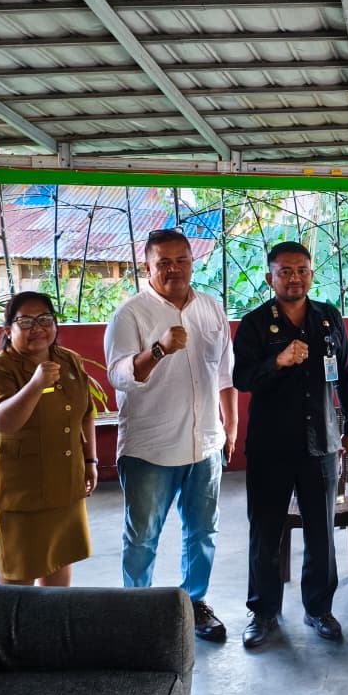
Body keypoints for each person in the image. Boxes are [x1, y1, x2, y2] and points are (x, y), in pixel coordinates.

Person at [104, 228, 239, 642]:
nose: (174, 269)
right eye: (163, 262)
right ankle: (137, 612)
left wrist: (231, 425)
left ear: (192, 264)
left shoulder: (211, 309)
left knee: (203, 532)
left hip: (205, 445)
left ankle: (194, 603)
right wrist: (159, 349)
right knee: (143, 538)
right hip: (150, 449)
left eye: (181, 260)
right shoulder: (129, 315)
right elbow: (119, 377)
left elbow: (225, 373)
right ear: (147, 267)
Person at [232, 241, 348, 649]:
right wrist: (278, 361)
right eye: (285, 271)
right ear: (270, 277)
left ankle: (319, 609)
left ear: (311, 274)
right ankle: (263, 612)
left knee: (321, 532)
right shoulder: (254, 323)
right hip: (270, 448)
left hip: (320, 444)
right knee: (265, 532)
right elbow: (241, 379)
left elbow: (346, 372)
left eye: (302, 270)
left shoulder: (328, 317)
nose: (294, 278)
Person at [0, 291, 97, 586]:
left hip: (64, 487)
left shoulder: (69, 360)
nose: (37, 328)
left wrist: (90, 460)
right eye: (26, 322)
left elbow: (86, 413)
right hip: (20, 496)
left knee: (58, 581)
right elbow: (3, 422)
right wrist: (36, 384)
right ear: (8, 330)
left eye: (44, 319)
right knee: (18, 590)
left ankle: (53, 621)